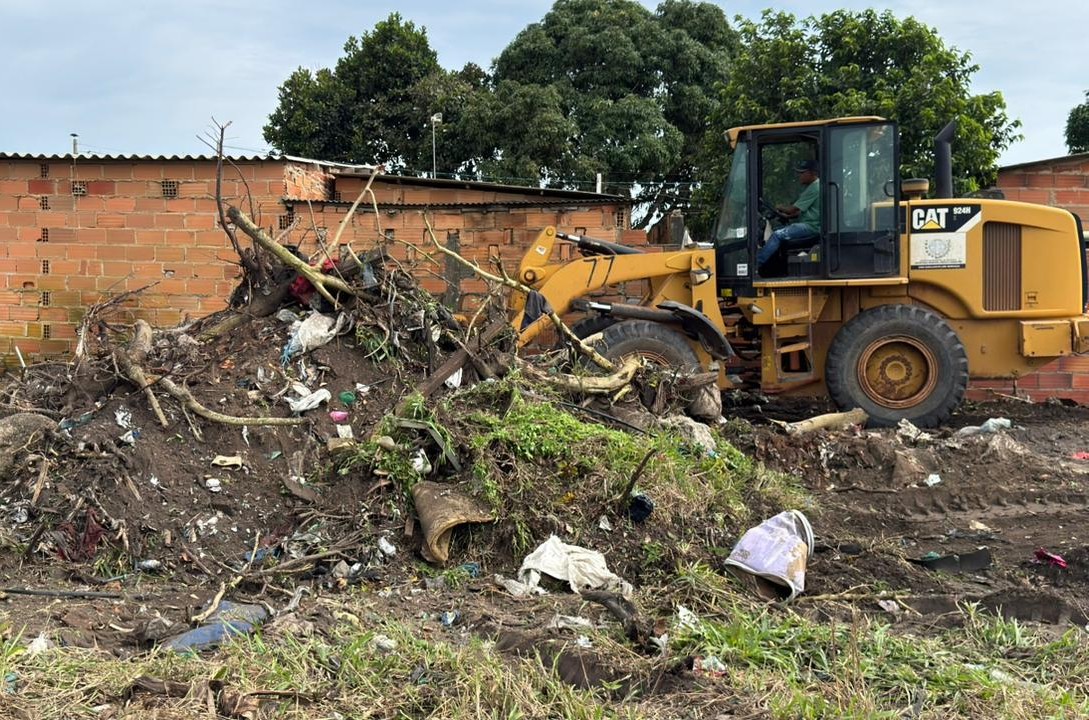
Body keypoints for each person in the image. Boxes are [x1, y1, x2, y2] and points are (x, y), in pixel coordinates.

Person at [757, 159, 821, 272]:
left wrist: (779, 207)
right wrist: (786, 216)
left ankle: (756, 263)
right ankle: (776, 268)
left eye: (802, 173)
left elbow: (792, 209)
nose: (799, 176)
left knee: (777, 235)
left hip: (812, 227)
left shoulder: (815, 187)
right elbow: (800, 211)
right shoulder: (815, 186)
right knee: (777, 230)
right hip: (811, 224)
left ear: (811, 173)